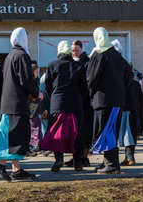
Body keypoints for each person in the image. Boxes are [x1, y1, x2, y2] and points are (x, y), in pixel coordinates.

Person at [0, 27, 39, 182]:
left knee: (11, 136)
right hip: (17, 104)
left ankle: (16, 170)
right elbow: (25, 80)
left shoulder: (10, 55)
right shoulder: (22, 55)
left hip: (8, 103)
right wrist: (37, 93)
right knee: (16, 137)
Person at [86, 27, 131, 174]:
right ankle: (109, 162)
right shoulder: (118, 57)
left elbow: (91, 79)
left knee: (106, 131)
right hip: (117, 101)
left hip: (103, 101)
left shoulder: (99, 55)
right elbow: (128, 77)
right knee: (112, 131)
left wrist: (91, 94)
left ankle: (112, 164)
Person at [42, 40, 84, 172]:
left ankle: (59, 159)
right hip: (75, 104)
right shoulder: (77, 66)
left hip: (58, 104)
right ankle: (78, 163)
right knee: (76, 133)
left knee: (56, 133)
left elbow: (47, 86)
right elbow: (84, 86)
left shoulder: (52, 65)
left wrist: (54, 97)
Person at [64, 39, 93, 168]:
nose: (74, 52)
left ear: (81, 49)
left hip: (85, 102)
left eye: (76, 50)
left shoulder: (86, 62)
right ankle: (76, 156)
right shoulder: (71, 62)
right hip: (76, 101)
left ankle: (84, 157)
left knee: (85, 131)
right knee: (76, 131)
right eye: (73, 50)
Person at [120, 70, 141, 166]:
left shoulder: (123, 85)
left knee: (127, 135)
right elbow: (141, 98)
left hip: (126, 111)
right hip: (135, 111)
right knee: (131, 134)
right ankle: (127, 158)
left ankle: (130, 157)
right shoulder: (136, 84)